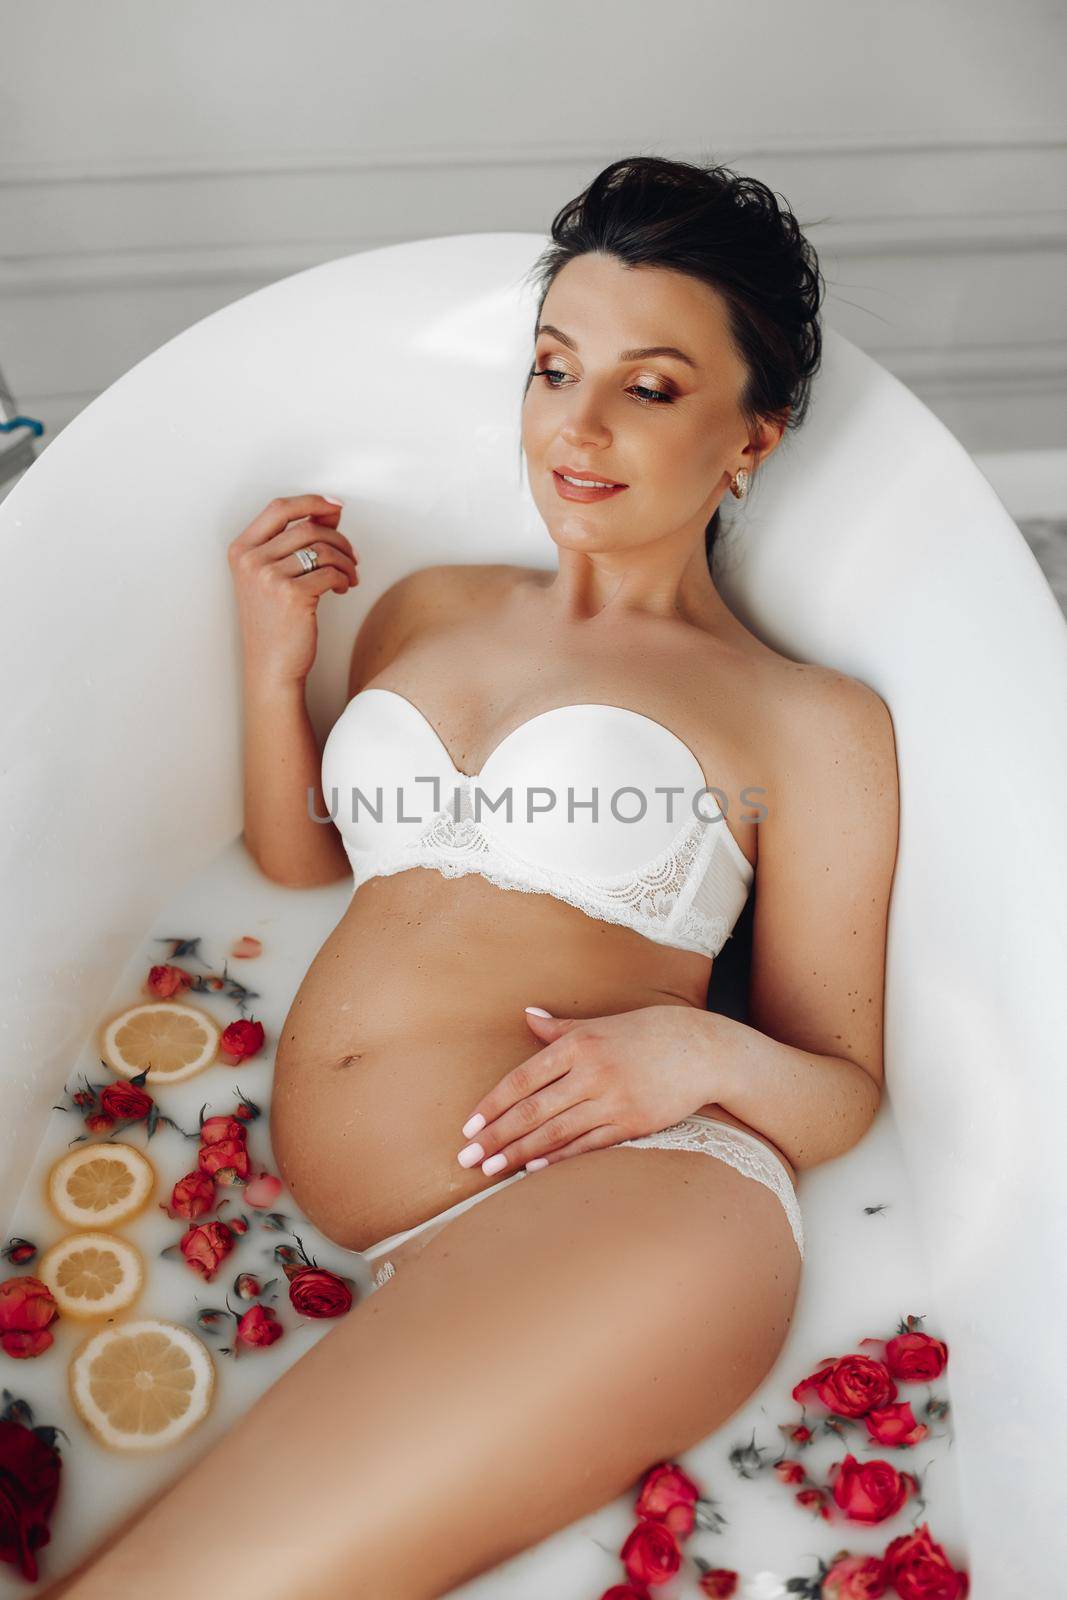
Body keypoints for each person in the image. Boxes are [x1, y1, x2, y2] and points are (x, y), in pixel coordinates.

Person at [46, 156, 898, 1600]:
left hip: (632, 1212)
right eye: (555, 367)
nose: (578, 423)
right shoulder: (434, 608)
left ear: (756, 434)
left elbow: (844, 1091)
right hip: (407, 1234)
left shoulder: (807, 719)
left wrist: (688, 1047)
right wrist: (273, 664)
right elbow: (306, 856)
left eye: (651, 386)